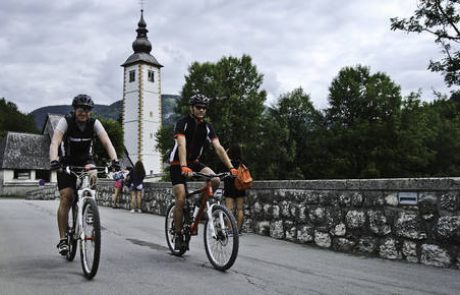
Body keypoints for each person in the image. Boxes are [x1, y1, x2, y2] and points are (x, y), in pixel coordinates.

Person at [49, 94, 120, 256]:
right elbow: (55, 142)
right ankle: (63, 240)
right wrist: (54, 160)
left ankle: (89, 208)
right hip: (66, 162)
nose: (84, 113)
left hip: (86, 161)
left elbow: (107, 142)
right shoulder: (65, 121)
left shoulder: (94, 124)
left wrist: (115, 160)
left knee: (93, 174)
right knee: (66, 197)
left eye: (88, 110)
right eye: (81, 109)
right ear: (75, 109)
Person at [169, 93, 238, 251]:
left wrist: (231, 167)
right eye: (198, 107)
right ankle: (178, 235)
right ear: (191, 108)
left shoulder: (207, 127)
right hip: (177, 163)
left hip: (194, 162)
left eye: (204, 108)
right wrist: (184, 166)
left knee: (215, 180)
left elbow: (219, 148)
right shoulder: (183, 123)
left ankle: (199, 204)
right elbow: (181, 145)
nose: (201, 110)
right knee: (180, 197)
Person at [223, 144, 247, 235]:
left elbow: (220, 167)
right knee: (240, 209)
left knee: (229, 209)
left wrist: (225, 152)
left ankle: (230, 230)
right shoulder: (242, 162)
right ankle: (238, 230)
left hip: (229, 186)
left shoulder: (227, 162)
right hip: (240, 186)